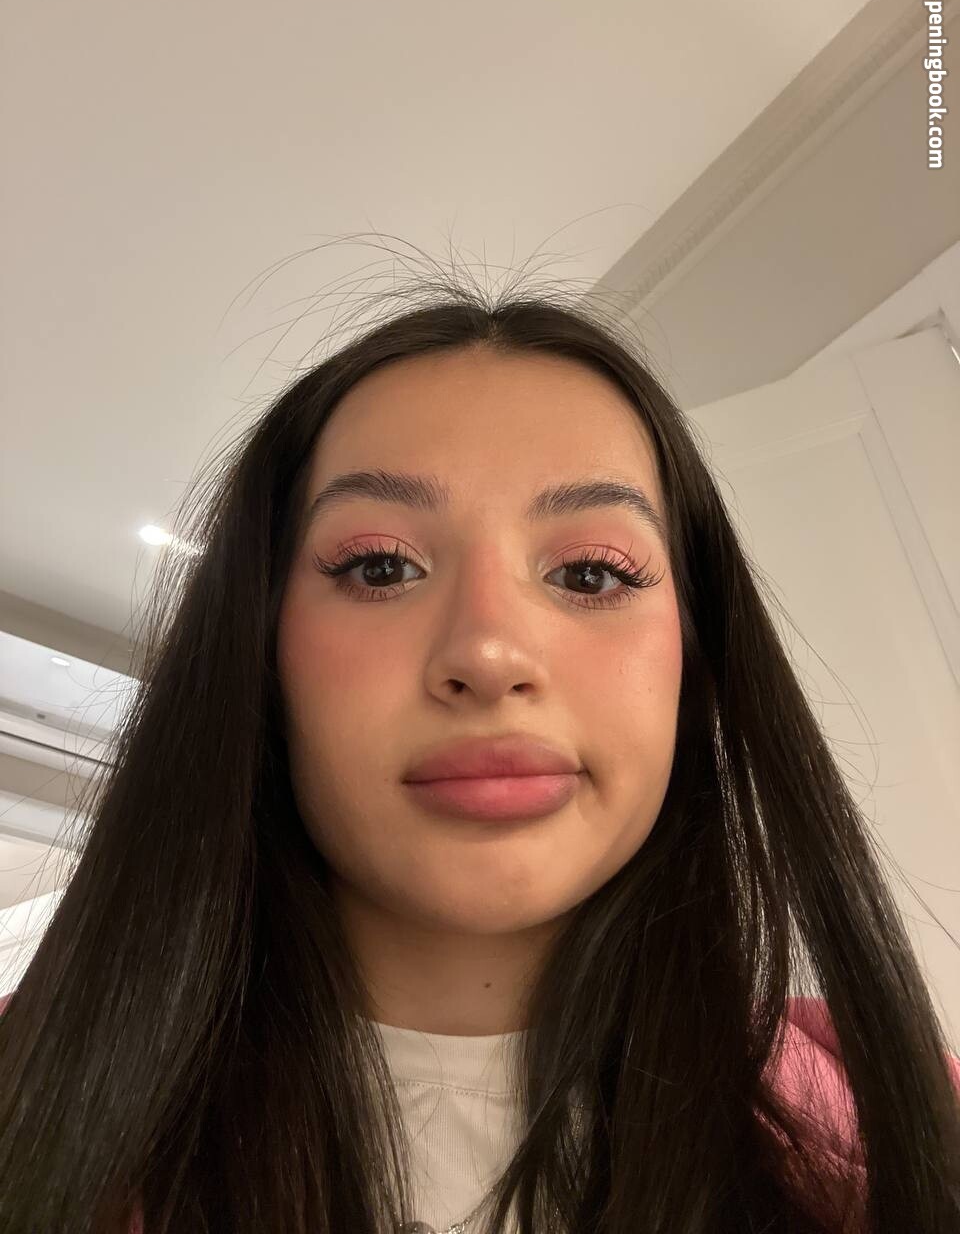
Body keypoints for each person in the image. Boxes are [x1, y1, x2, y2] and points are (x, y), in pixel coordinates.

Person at [0, 273, 957, 1233]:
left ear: (695, 663)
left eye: (591, 574)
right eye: (381, 567)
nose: (489, 653)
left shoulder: (901, 1126)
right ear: (261, 656)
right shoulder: (28, 1104)